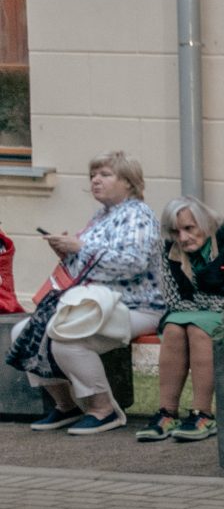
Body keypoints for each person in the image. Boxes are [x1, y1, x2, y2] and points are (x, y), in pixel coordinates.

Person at [24, 152, 165, 435]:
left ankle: (103, 409)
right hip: (95, 304)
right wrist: (66, 252)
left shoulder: (138, 215)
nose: (95, 181)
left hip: (138, 307)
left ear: (128, 182)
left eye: (105, 175)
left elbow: (133, 263)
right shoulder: (101, 216)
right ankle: (67, 406)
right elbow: (87, 268)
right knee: (27, 332)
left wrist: (80, 248)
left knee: (67, 340)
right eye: (92, 175)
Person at [137, 196, 224, 444]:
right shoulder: (169, 246)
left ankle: (203, 414)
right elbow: (172, 298)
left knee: (197, 328)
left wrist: (201, 305)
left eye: (189, 228)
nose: (182, 238)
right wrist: (206, 305)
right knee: (173, 328)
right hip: (196, 310)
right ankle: (167, 413)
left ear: (204, 223)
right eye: (175, 231)